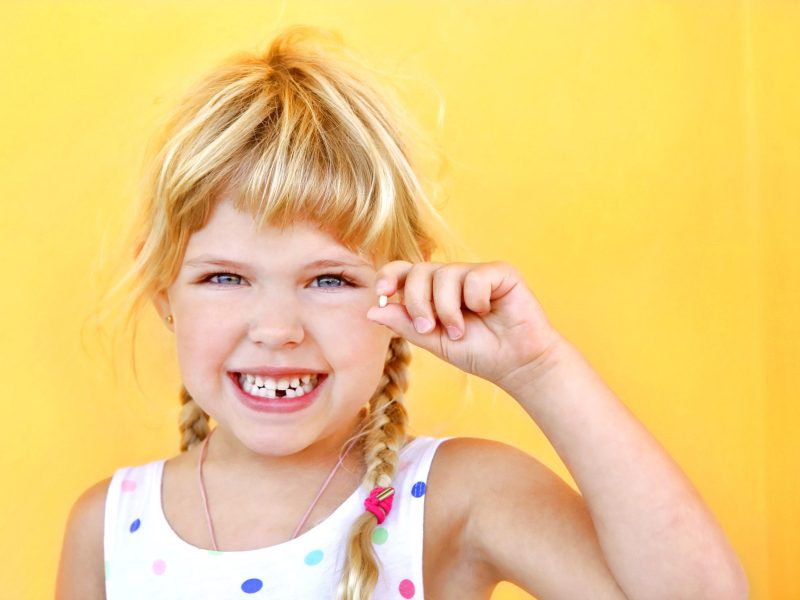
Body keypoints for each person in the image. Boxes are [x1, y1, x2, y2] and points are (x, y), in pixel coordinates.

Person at [56, 24, 747, 600]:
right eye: (226, 277)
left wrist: (541, 369)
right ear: (163, 288)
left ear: (402, 286)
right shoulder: (108, 528)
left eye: (329, 280)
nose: (276, 329)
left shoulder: (457, 497)